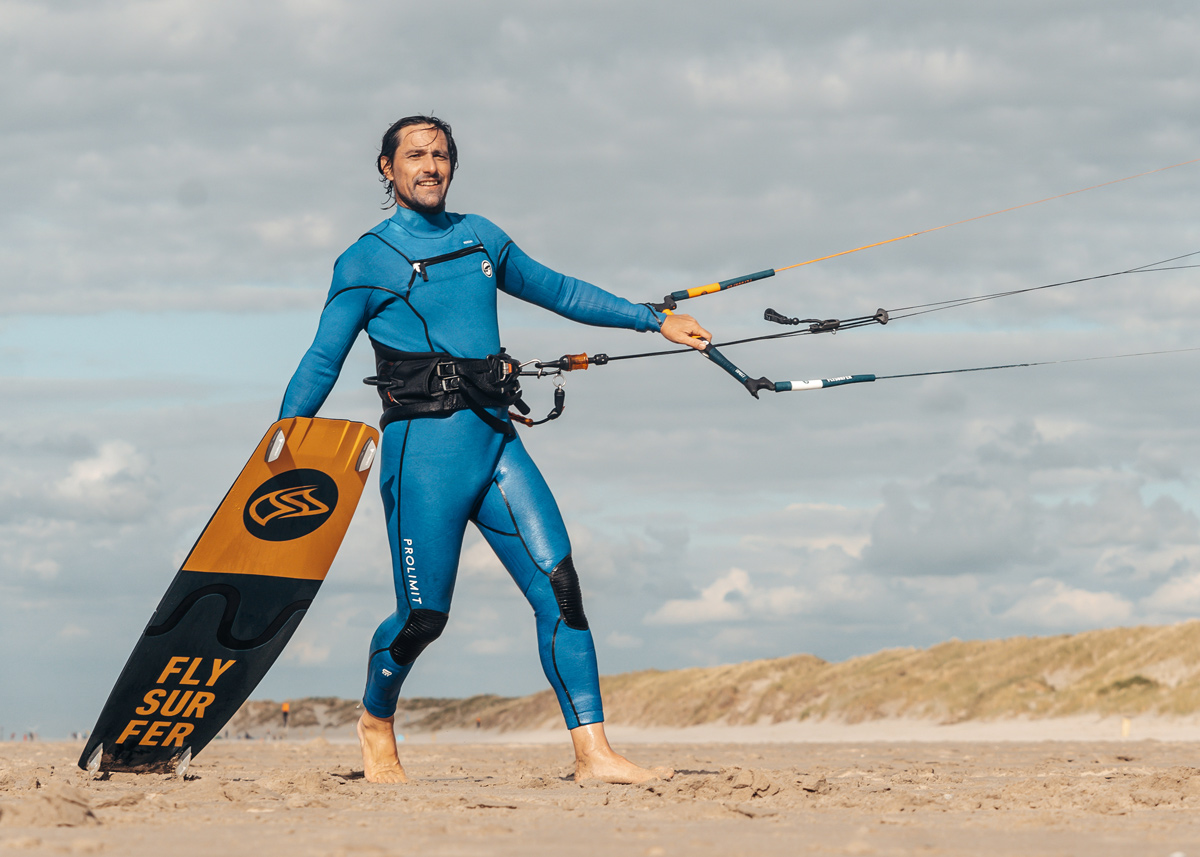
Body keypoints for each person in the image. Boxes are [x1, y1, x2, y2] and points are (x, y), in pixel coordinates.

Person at [279, 115, 710, 784]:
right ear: (387, 169)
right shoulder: (365, 259)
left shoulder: (480, 236)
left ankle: (593, 753)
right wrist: (282, 440)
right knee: (424, 617)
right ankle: (375, 720)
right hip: (422, 455)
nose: (430, 165)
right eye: (415, 155)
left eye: (440, 154)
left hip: (495, 443)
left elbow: (560, 290)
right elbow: (322, 358)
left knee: (561, 590)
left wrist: (653, 319)